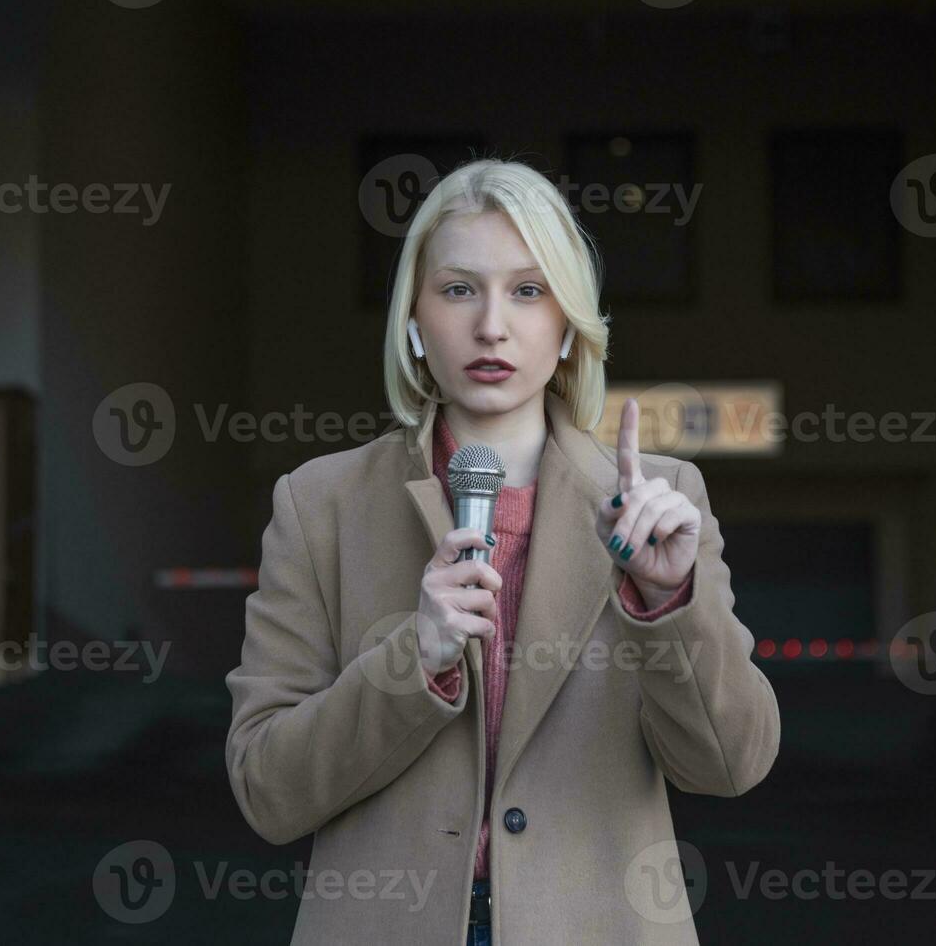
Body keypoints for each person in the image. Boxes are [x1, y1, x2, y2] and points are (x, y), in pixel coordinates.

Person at [225, 158, 780, 945]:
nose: (492, 325)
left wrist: (668, 603)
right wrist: (410, 661)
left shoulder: (664, 501)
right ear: (414, 322)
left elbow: (731, 764)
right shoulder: (319, 505)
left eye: (528, 290)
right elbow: (267, 789)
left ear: (568, 326)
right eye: (458, 290)